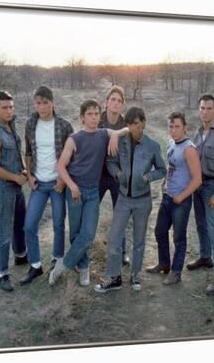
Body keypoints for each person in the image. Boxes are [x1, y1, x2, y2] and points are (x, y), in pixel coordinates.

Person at [49, 99, 128, 287]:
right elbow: (60, 166)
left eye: (96, 113)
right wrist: (72, 186)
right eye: (89, 114)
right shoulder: (74, 139)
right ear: (82, 117)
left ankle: (63, 264)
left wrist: (116, 135)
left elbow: (125, 130)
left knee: (88, 234)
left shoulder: (103, 134)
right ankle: (84, 268)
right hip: (75, 191)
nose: (93, 117)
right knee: (75, 233)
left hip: (93, 192)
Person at [94, 107, 167, 293]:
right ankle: (113, 277)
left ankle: (135, 276)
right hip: (124, 199)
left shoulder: (153, 146)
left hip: (143, 201)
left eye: (136, 124)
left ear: (143, 123)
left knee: (139, 240)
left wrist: (147, 177)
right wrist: (118, 173)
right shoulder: (122, 142)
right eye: (130, 124)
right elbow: (111, 162)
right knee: (114, 238)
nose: (133, 128)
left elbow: (161, 169)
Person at [21, 86, 74, 286]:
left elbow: (72, 156)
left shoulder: (64, 125)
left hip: (57, 183)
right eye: (38, 102)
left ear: (52, 102)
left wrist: (62, 179)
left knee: (59, 224)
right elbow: (27, 152)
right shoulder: (30, 124)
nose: (41, 106)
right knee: (29, 225)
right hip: (39, 183)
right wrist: (30, 175)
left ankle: (57, 259)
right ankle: (35, 265)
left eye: (45, 102)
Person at [146, 112, 202, 286]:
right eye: (171, 126)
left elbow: (198, 179)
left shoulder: (189, 149)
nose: (174, 130)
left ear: (185, 127)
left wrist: (181, 196)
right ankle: (164, 264)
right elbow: (172, 167)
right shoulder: (171, 143)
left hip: (181, 201)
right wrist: (164, 183)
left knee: (179, 237)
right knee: (159, 231)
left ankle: (176, 272)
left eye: (177, 126)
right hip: (167, 197)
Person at [185, 94, 214, 296]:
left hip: (212, 185)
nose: (205, 112)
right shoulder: (198, 132)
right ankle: (205, 257)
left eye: (209, 108)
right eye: (202, 108)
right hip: (198, 184)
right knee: (201, 225)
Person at [0, 91, 28, 292]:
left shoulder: (11, 126)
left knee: (20, 223)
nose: (9, 110)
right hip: (4, 187)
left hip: (17, 185)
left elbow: (15, 154)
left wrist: (24, 171)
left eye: (11, 106)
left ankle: (20, 256)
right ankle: (3, 274)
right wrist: (15, 177)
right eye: (4, 107)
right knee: (4, 230)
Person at [98, 85, 130, 266]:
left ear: (122, 105)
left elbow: (132, 134)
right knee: (90, 212)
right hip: (98, 176)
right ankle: (83, 249)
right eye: (113, 99)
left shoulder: (125, 124)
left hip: (117, 176)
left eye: (119, 100)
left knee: (121, 214)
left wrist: (119, 133)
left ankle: (122, 251)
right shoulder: (97, 119)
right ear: (106, 103)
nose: (116, 103)